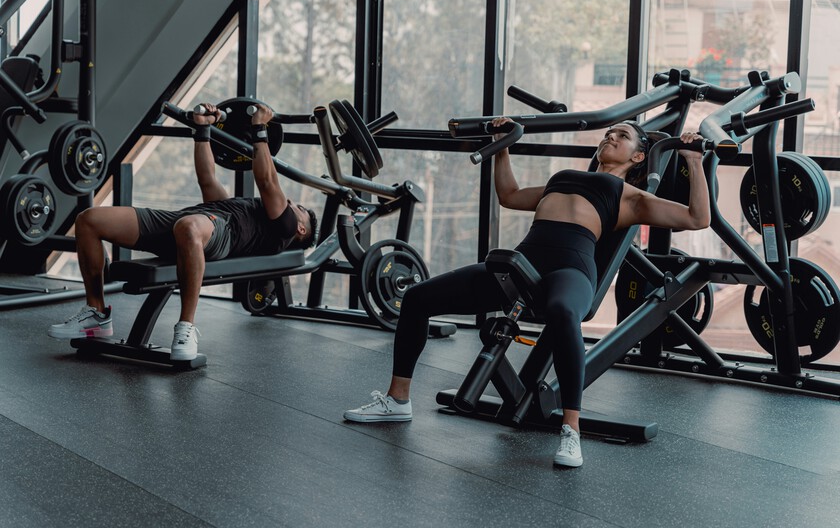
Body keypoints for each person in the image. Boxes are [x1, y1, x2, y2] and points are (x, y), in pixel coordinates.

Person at [343, 118, 711, 468]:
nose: (610, 136)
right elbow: (510, 195)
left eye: (622, 135)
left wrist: (693, 161)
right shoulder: (562, 178)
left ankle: (571, 430)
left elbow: (698, 218)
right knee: (417, 298)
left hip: (570, 272)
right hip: (519, 267)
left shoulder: (630, 196)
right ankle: (398, 400)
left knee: (564, 312)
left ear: (638, 156)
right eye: (609, 131)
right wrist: (502, 146)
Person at [48, 103, 318, 360]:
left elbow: (267, 180)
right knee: (89, 220)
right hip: (190, 222)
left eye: (300, 208)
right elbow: (207, 179)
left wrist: (260, 129)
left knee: (188, 226)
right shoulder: (244, 208)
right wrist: (202, 130)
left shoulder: (285, 228)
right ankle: (96, 314)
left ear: (301, 227)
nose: (292, 202)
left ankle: (186, 327)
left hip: (217, 233)